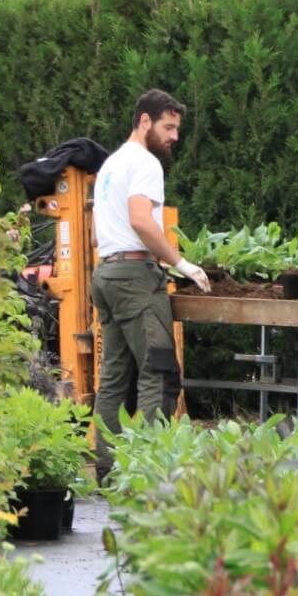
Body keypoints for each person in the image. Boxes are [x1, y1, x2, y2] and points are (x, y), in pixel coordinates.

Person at [90, 89, 209, 481]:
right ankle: (146, 472)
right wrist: (180, 262)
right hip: (134, 279)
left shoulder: (109, 165)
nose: (174, 136)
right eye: (168, 127)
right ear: (145, 121)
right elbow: (142, 221)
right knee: (159, 375)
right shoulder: (144, 163)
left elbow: (95, 236)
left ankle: (109, 475)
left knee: (114, 380)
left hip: (106, 274)